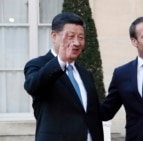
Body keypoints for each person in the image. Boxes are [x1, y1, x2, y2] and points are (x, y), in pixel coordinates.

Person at [24, 12, 104, 141]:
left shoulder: (85, 73)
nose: (77, 42)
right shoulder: (37, 65)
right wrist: (60, 60)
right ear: (54, 36)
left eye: (81, 37)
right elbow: (33, 86)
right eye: (70, 37)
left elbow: (92, 112)